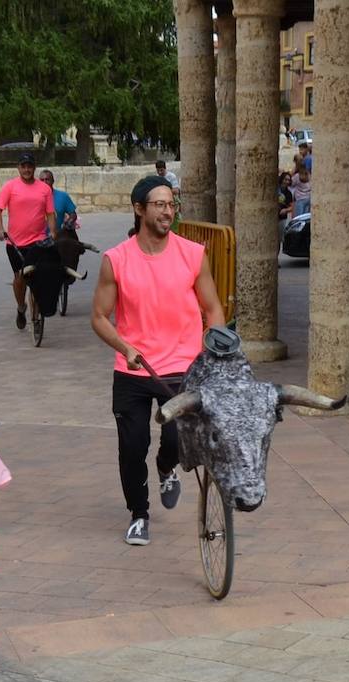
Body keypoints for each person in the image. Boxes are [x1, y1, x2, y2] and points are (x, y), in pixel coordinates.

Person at [89, 175, 225, 547]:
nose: (169, 211)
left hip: (182, 365)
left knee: (175, 439)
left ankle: (166, 467)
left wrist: (214, 352)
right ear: (139, 209)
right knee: (132, 447)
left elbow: (212, 308)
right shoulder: (115, 260)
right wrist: (124, 346)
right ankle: (138, 514)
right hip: (133, 367)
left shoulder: (192, 253)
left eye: (172, 204)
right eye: (160, 205)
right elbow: (99, 317)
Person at [0, 152, 58, 331]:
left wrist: (52, 232)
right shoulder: (10, 187)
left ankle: (37, 316)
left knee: (39, 276)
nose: (27, 169)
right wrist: (0, 229)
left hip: (38, 242)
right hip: (14, 243)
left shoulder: (44, 189)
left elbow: (50, 213)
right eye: (23, 166)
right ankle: (21, 307)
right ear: (18, 168)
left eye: (30, 166)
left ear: (34, 167)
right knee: (20, 277)